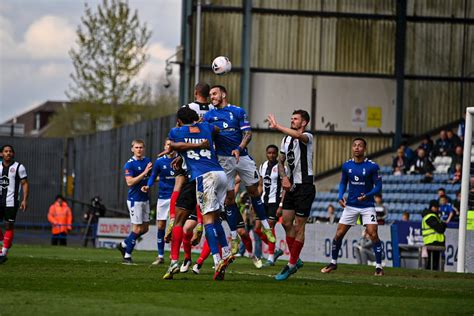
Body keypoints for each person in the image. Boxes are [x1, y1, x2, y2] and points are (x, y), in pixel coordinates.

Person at [203, 85, 275, 254]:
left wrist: (239, 148)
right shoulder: (208, 116)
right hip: (223, 160)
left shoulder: (237, 111)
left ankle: (266, 228)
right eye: (210, 94)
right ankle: (234, 237)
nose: (211, 96)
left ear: (223, 94)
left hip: (241, 157)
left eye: (214, 93)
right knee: (229, 199)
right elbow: (203, 136)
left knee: (254, 192)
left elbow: (248, 134)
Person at [166, 106, 234, 280]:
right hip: (220, 175)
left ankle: (219, 259)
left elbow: (172, 144)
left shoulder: (176, 131)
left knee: (208, 220)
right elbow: (217, 129)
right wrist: (201, 128)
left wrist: (182, 149)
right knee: (215, 216)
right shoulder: (207, 127)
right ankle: (226, 251)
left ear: (179, 120)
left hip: (204, 177)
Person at [321, 138, 384, 276]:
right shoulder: (346, 165)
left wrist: (367, 195)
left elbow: (378, 186)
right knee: (338, 234)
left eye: (360, 146)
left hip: (367, 205)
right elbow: (343, 182)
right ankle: (333, 262)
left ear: (365, 149)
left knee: (373, 234)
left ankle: (379, 267)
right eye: (354, 145)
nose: (357, 148)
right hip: (351, 206)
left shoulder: (372, 166)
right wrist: (340, 195)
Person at [267, 110, 316, 281]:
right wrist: (284, 178)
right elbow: (281, 161)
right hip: (291, 186)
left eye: (295, 119)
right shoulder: (286, 139)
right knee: (286, 222)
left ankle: (291, 264)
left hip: (305, 187)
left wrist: (277, 126)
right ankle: (296, 259)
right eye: (291, 118)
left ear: (304, 123)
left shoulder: (308, 137)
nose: (292, 121)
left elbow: (297, 135)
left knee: (299, 227)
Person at [117, 139, 152, 264]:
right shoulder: (129, 164)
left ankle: (123, 244)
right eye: (136, 147)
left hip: (145, 198)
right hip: (134, 200)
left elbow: (151, 177)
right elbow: (129, 182)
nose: (139, 149)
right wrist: (144, 173)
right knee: (137, 229)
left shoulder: (147, 161)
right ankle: (127, 256)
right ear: (132, 149)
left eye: (141, 147)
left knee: (145, 229)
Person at [142, 139, 176, 265]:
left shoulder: (181, 160)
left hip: (176, 198)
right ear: (164, 146)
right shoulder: (160, 162)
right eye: (168, 144)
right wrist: (148, 186)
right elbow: (152, 176)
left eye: (172, 144)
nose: (170, 147)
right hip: (163, 197)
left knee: (176, 227)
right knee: (161, 226)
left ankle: (174, 256)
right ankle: (160, 256)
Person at [256, 144, 285, 266]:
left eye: (274, 153)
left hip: (275, 202)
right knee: (257, 229)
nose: (271, 155)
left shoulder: (282, 168)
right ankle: (277, 249)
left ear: (277, 154)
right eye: (269, 153)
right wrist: (255, 200)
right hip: (263, 201)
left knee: (269, 229)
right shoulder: (263, 166)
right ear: (266, 153)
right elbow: (261, 185)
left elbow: (285, 188)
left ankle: (271, 257)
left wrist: (281, 205)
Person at [0, 144, 29, 264]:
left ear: (13, 154)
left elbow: (25, 183)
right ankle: (5, 242)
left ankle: (4, 252)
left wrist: (24, 200)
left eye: (10, 151)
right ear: (1, 154)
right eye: (6, 151)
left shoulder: (19, 167)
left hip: (11, 201)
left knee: (9, 225)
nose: (8, 153)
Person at [421, 200, 446, 270]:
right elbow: (440, 228)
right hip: (433, 241)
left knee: (433, 263)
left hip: (432, 242)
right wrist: (443, 224)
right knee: (433, 263)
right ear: (432, 207)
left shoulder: (430, 216)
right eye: (436, 207)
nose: (438, 209)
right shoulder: (430, 217)